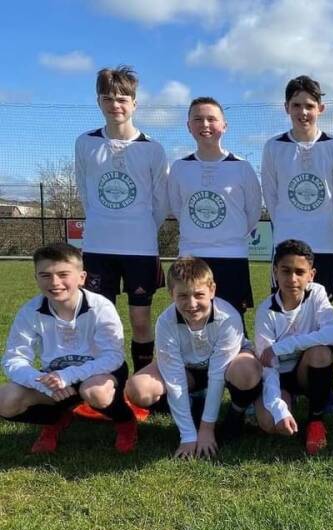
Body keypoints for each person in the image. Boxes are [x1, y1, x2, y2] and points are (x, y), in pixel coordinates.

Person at [74, 65, 169, 374]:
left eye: (122, 98)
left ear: (134, 104)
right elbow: (85, 193)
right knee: (102, 320)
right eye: (108, 98)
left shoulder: (152, 149)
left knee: (140, 320)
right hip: (99, 247)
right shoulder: (85, 142)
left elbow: (160, 201)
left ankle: (141, 384)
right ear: (99, 102)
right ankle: (109, 382)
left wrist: (138, 228)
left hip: (140, 248)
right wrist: (106, 222)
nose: (116, 104)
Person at [0, 243, 137, 453]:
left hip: (99, 373)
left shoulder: (101, 306)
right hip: (55, 379)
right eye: (45, 275)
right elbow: (13, 359)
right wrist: (41, 383)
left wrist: (68, 375)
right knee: (6, 400)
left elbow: (113, 357)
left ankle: (125, 421)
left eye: (63, 274)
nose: (55, 283)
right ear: (36, 277)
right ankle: (56, 419)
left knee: (96, 393)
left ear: (82, 277)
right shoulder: (29, 311)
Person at [125, 258, 263, 458]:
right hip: (188, 369)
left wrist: (207, 429)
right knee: (138, 389)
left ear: (212, 290)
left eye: (199, 294)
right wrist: (188, 436)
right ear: (171, 294)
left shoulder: (229, 317)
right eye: (182, 296)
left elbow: (217, 374)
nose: (191, 304)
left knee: (246, 371)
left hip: (226, 369)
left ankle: (236, 413)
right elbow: (174, 378)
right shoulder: (165, 322)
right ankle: (191, 405)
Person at [168, 96, 262, 321]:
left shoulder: (242, 167)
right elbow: (177, 208)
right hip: (191, 256)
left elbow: (253, 212)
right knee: (190, 320)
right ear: (188, 126)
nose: (205, 125)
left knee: (232, 321)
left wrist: (229, 237)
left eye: (212, 119)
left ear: (224, 126)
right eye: (198, 119)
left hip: (232, 256)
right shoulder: (180, 168)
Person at [261, 75, 333, 301]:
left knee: (323, 310)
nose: (303, 112)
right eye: (296, 105)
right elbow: (270, 195)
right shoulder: (273, 147)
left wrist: (321, 218)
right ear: (286, 108)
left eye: (309, 106)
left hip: (324, 242)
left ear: (321, 108)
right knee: (285, 308)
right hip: (286, 242)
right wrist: (289, 220)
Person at [253, 239, 333, 455]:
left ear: (311, 274)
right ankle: (283, 400)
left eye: (300, 272)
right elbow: (268, 365)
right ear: (275, 272)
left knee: (320, 352)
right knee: (270, 424)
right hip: (278, 376)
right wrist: (279, 408)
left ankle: (316, 420)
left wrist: (280, 347)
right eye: (285, 271)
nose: (292, 279)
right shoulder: (266, 311)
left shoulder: (317, 294)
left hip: (305, 370)